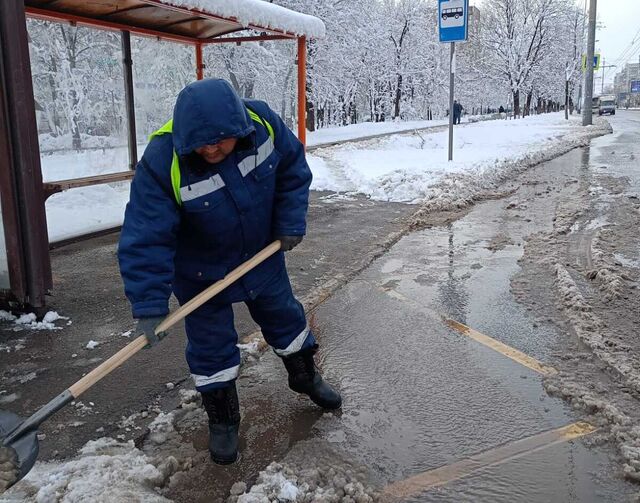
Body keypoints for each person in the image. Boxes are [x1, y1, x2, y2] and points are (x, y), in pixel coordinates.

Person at [118, 78, 342, 465]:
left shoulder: (263, 123)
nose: (211, 149)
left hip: (261, 256)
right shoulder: (162, 161)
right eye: (202, 144)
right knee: (210, 346)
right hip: (201, 274)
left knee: (286, 318)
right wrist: (149, 302)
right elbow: (145, 234)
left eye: (220, 141)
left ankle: (305, 375)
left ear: (239, 129)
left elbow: (292, 169)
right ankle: (223, 419)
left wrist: (289, 222)